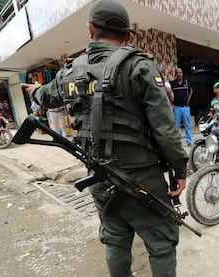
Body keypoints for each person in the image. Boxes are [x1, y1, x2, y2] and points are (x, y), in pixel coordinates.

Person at [21, 1, 188, 276]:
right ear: (128, 35)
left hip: (99, 176)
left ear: (90, 31)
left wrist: (35, 91)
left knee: (115, 239)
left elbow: (46, 96)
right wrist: (180, 170)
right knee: (161, 244)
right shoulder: (139, 66)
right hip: (141, 177)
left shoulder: (69, 72)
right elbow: (165, 129)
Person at [170, 68, 193, 146]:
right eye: (177, 73)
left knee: (187, 125)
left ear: (182, 74)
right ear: (175, 74)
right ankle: (176, 142)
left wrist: (188, 100)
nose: (179, 74)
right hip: (176, 107)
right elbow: (168, 91)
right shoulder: (172, 83)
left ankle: (189, 141)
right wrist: (171, 100)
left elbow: (191, 90)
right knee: (176, 126)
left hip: (185, 107)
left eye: (180, 72)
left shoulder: (186, 82)